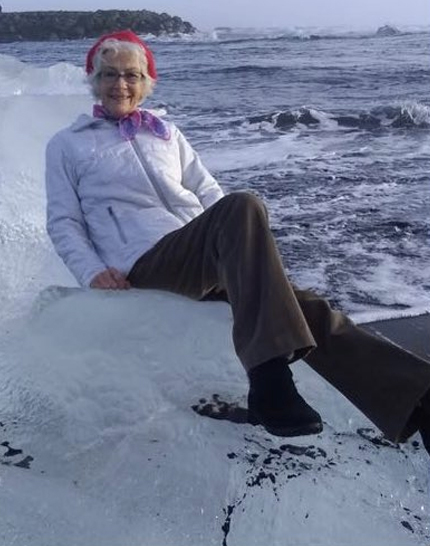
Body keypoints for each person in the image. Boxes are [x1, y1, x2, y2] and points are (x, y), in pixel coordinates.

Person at [45, 30, 430, 447]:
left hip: (199, 253)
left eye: (132, 75)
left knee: (307, 310)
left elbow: (207, 190)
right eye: (110, 75)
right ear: (94, 80)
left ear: (147, 82)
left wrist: (239, 247)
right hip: (142, 261)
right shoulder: (68, 144)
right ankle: (267, 376)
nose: (121, 84)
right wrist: (93, 272)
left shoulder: (165, 134)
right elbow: (63, 221)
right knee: (244, 205)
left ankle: (419, 403)